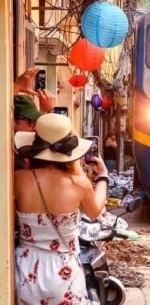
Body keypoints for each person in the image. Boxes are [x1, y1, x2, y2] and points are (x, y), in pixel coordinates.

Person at [14, 113, 108, 304]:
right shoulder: (79, 183)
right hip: (64, 273)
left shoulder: (18, 179)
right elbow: (95, 211)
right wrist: (103, 177)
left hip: (26, 269)